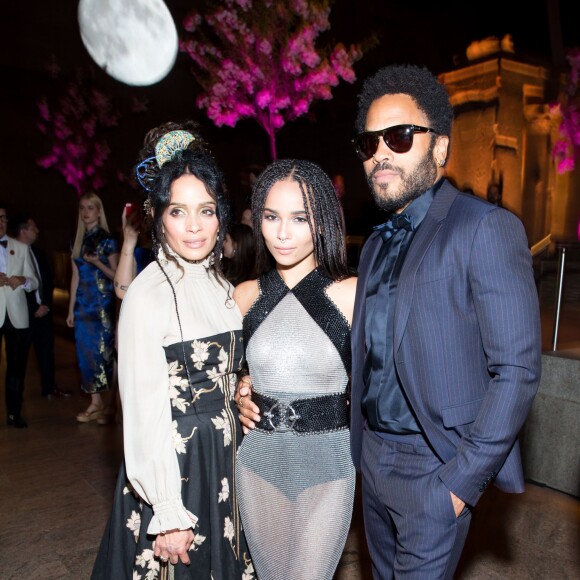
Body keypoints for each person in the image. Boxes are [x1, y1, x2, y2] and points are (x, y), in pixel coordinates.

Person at [345, 64, 541, 578]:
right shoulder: (373, 247)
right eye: (369, 143)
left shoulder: (485, 228)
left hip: (436, 466)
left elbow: (517, 371)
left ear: (439, 148)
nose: (381, 152)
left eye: (400, 136)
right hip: (374, 462)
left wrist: (460, 485)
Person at [91, 123, 254, 579]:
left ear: (221, 214)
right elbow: (143, 410)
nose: (195, 226)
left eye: (205, 210)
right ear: (159, 216)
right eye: (178, 212)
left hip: (227, 459)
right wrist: (166, 509)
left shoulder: (221, 285)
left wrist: (243, 385)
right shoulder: (147, 295)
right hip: (179, 467)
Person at [233, 159, 357, 580]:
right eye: (271, 217)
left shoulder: (352, 294)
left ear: (322, 222)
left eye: (299, 218)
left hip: (329, 465)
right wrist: (239, 390)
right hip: (260, 463)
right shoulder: (245, 295)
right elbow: (225, 371)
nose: (282, 233)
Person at [66, 192, 119, 422]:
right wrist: (70, 309)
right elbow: (75, 277)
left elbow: (118, 276)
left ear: (99, 211)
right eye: (82, 208)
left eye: (90, 207)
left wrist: (97, 262)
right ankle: (95, 402)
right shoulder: (76, 241)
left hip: (101, 306)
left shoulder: (108, 240)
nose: (86, 212)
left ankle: (110, 405)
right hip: (82, 307)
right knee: (85, 355)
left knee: (105, 355)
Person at [12, 213, 70, 399]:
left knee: (46, 352)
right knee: (19, 357)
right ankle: (16, 395)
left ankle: (49, 388)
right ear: (23, 231)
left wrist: (45, 304)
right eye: (33, 227)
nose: (37, 230)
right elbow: (15, 288)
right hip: (24, 314)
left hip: (43, 312)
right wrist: (32, 308)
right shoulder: (11, 254)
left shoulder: (38, 252)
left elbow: (47, 280)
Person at [0, 203, 39, 428]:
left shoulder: (20, 247)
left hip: (16, 316)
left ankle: (14, 413)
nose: (1, 222)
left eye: (3, 218)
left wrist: (22, 280)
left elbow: (34, 281)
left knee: (16, 368)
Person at [222, 222, 256, 287]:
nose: (222, 244)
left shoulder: (245, 282)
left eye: (226, 240)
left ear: (237, 245)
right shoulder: (225, 265)